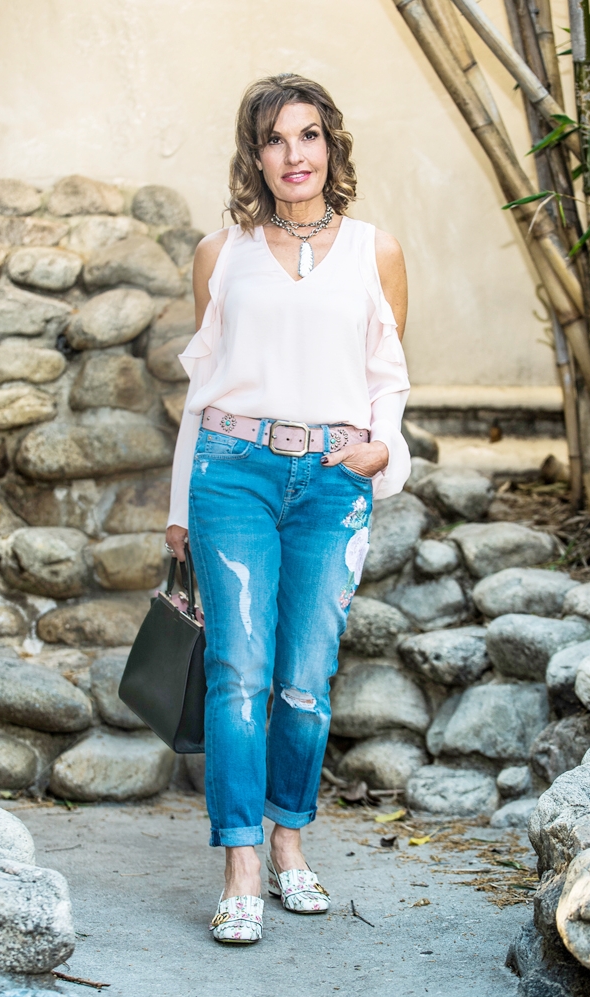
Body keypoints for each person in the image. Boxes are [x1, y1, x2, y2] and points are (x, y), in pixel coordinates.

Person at [165, 73, 410, 944]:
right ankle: (238, 861)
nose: (294, 155)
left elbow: (388, 379)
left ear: (331, 147)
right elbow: (200, 394)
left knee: (305, 680)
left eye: (309, 136)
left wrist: (385, 451)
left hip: (334, 483)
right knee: (239, 671)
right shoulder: (218, 253)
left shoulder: (375, 251)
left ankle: (289, 842)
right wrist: (177, 506)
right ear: (254, 155)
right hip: (232, 472)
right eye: (275, 139)